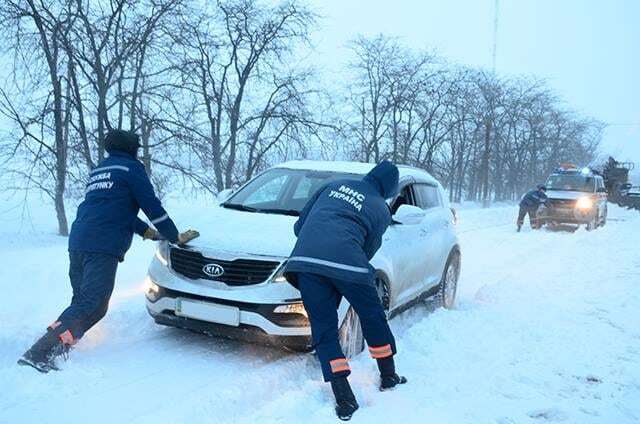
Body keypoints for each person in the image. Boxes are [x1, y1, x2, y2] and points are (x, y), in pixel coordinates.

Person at [18, 130, 199, 373]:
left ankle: (61, 346)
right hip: (101, 246)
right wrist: (173, 234)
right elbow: (152, 206)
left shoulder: (100, 170)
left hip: (79, 240)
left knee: (84, 301)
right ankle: (40, 352)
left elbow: (113, 210)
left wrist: (147, 232)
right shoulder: (131, 169)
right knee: (93, 303)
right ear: (132, 149)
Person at [283, 160, 406, 421]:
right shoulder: (381, 210)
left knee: (324, 328)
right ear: (389, 189)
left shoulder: (333, 186)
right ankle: (388, 376)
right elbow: (368, 250)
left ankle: (344, 399)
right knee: (372, 316)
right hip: (349, 265)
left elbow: (298, 227)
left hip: (307, 264)